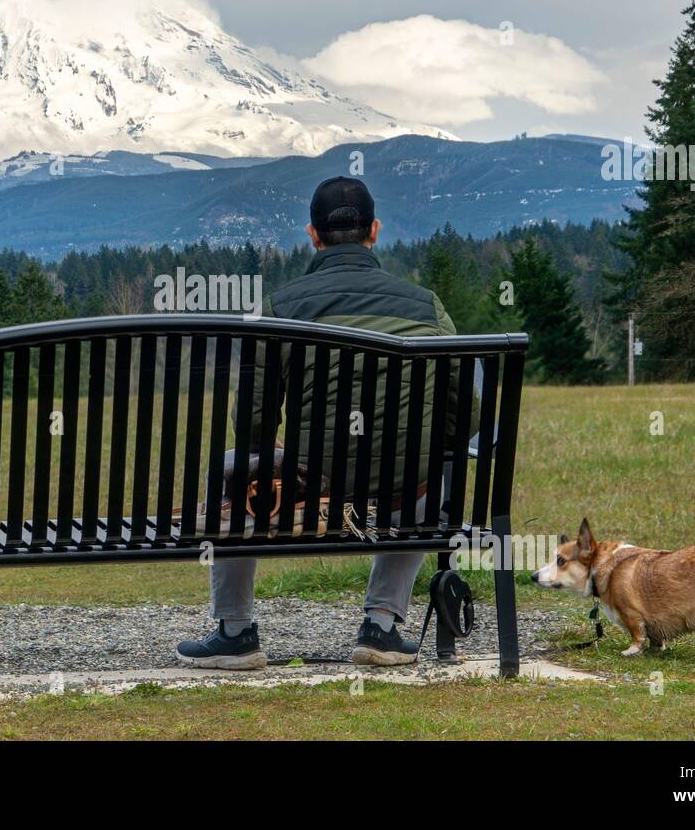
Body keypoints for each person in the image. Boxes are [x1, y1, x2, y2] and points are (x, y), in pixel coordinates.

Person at [175, 176, 478, 669]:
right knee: (436, 469)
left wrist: (271, 448)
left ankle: (234, 633)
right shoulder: (427, 308)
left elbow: (251, 428)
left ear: (312, 235)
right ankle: (380, 627)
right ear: (374, 231)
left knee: (231, 468)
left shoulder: (280, 308)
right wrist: (419, 450)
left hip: (316, 482)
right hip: (409, 491)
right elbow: (463, 411)